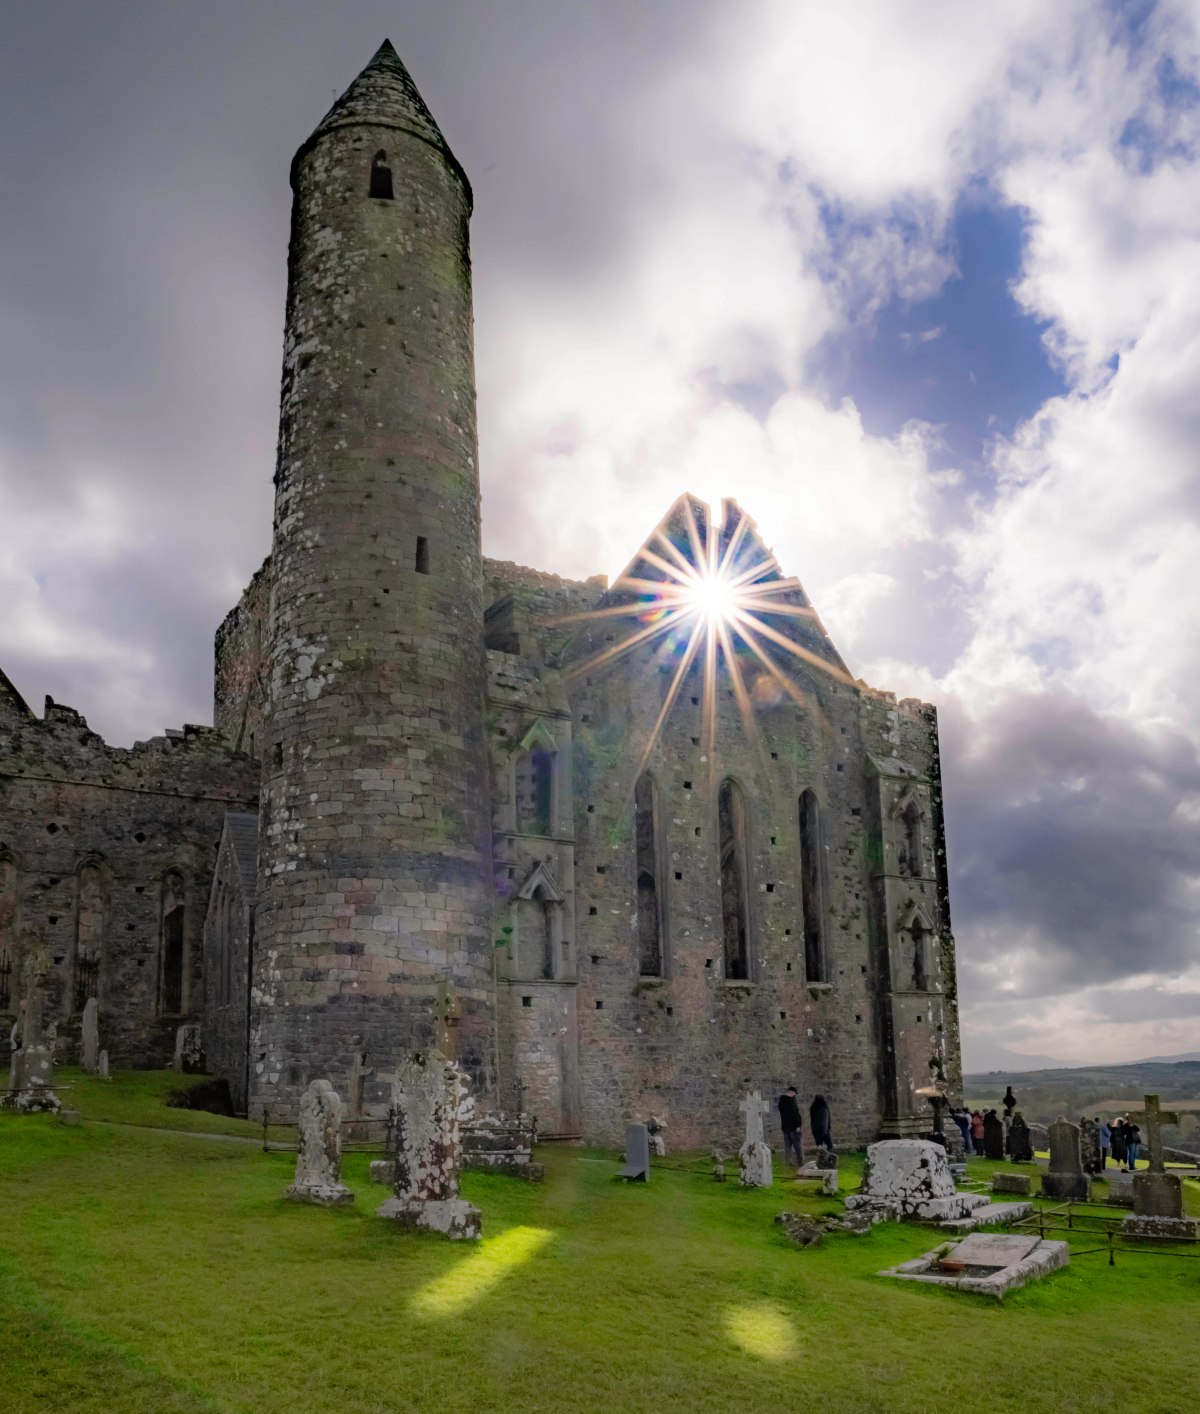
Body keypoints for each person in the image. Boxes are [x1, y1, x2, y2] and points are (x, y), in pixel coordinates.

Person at [777, 1086, 804, 1168]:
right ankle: (800, 1161)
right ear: (792, 1092)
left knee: (787, 1145)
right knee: (797, 1145)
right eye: (795, 1094)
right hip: (793, 1127)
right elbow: (795, 1115)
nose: (795, 1096)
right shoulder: (791, 1102)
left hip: (785, 1127)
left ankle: (788, 1161)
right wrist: (798, 1125)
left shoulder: (781, 1101)